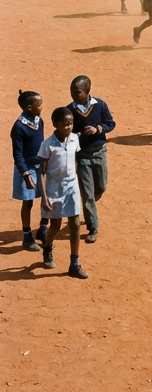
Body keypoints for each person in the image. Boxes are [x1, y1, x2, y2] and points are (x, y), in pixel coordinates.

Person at [38, 106, 88, 279]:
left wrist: (75, 181)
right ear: (55, 124)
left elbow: (74, 161)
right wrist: (44, 197)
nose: (69, 127)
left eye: (71, 123)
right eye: (65, 124)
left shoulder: (74, 139)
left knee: (74, 224)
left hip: (71, 187)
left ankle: (74, 263)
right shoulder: (47, 145)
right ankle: (47, 248)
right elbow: (42, 173)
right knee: (55, 226)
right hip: (54, 189)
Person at [67, 75, 115, 242]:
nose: (74, 95)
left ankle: (90, 206)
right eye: (72, 92)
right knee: (87, 195)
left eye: (77, 92)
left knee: (101, 187)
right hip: (83, 157)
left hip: (100, 152)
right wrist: (77, 134)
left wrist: (98, 129)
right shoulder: (70, 111)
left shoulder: (100, 105)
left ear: (87, 92)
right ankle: (92, 227)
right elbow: (66, 132)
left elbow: (111, 123)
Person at [11, 89, 47, 252]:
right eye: (38, 104)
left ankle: (43, 228)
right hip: (26, 169)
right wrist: (25, 174)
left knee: (47, 196)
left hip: (41, 166)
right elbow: (17, 153)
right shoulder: (19, 127)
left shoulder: (40, 121)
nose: (41, 106)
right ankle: (27, 236)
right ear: (29, 107)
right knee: (28, 202)